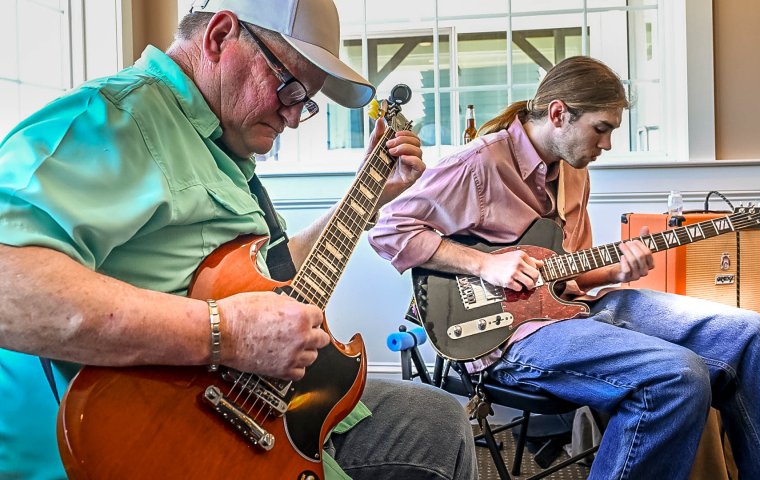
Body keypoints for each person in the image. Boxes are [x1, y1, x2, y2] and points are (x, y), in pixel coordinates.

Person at [0, 1, 477, 479]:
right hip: (145, 439)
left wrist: (367, 198)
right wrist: (224, 333)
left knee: (439, 422)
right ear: (220, 36)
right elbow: (8, 284)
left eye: (305, 102)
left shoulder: (221, 145)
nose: (292, 117)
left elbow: (271, 272)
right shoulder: (113, 119)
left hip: (239, 403)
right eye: (289, 87)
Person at [369, 56, 760, 479]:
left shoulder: (574, 171)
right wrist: (486, 264)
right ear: (559, 114)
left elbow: (566, 272)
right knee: (676, 376)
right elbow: (388, 231)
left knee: (749, 333)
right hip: (507, 333)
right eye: (602, 128)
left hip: (576, 311)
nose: (607, 143)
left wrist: (616, 272)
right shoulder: (479, 164)